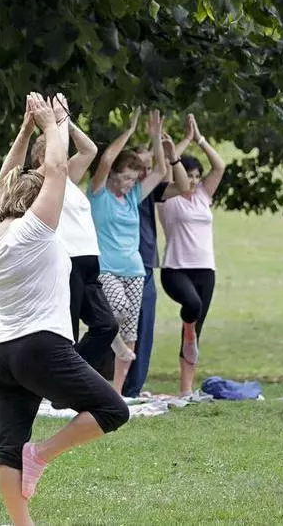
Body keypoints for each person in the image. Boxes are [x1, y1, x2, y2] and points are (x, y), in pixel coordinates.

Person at [0, 94, 130, 526]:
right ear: (37, 203)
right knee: (113, 410)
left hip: (0, 352)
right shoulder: (36, 231)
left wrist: (25, 129)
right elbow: (58, 169)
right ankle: (41, 454)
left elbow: (5, 177)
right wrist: (53, 123)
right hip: (41, 346)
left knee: (7, 448)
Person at [28, 95, 123, 377]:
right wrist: (55, 126)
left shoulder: (67, 180)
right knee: (66, 331)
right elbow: (56, 163)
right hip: (66, 262)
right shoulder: (40, 181)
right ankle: (61, 383)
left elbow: (89, 150)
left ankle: (68, 375)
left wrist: (66, 122)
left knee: (106, 326)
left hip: (90, 263)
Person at [88, 110, 178, 393]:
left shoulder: (132, 197)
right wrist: (128, 131)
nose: (130, 184)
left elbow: (161, 172)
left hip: (135, 270)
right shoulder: (98, 194)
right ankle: (113, 342)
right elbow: (105, 159)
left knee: (131, 331)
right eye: (126, 178)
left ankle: (117, 391)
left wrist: (155, 138)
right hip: (106, 267)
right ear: (113, 175)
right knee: (120, 310)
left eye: (133, 179)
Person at [158, 114, 226, 396]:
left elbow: (219, 166)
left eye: (198, 176)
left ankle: (185, 389)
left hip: (205, 270)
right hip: (176, 269)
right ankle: (189, 328)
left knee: (196, 329)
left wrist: (199, 139)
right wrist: (181, 144)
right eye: (190, 176)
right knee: (192, 306)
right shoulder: (167, 197)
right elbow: (166, 167)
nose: (195, 181)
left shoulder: (202, 196)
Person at [123, 125, 189, 397]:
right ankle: (111, 384)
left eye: (147, 168)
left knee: (144, 327)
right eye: (140, 167)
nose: (145, 172)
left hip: (146, 263)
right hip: (119, 266)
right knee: (114, 326)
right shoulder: (121, 190)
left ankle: (132, 389)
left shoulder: (149, 190)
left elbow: (182, 186)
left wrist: (174, 153)